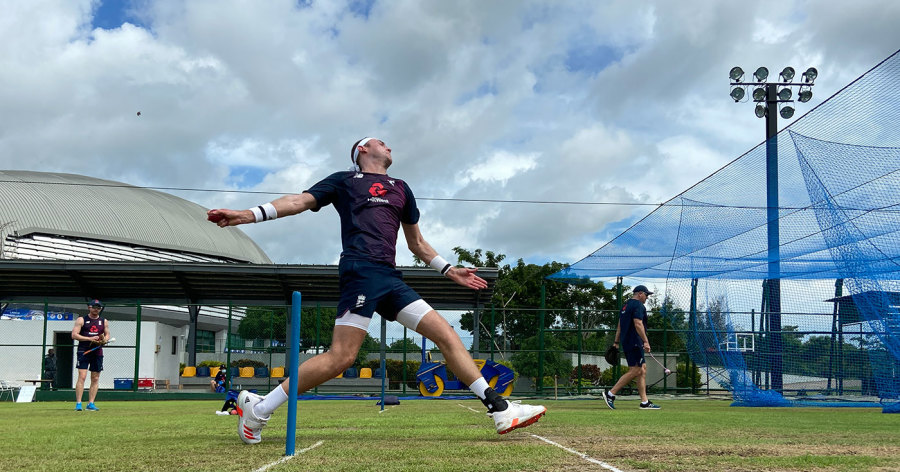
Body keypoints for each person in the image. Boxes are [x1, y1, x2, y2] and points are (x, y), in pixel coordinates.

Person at [208, 137, 546, 444]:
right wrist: (247, 215)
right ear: (362, 151)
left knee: (446, 335)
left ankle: (499, 410)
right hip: (361, 271)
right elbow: (298, 201)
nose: (390, 147)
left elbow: (417, 244)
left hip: (390, 278)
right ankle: (261, 408)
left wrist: (449, 270)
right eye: (381, 143)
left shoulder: (401, 188)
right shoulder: (344, 180)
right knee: (342, 357)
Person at [604, 285, 660, 410]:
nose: (647, 298)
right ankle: (611, 394)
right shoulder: (638, 305)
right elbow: (638, 323)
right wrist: (646, 342)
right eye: (646, 295)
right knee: (636, 370)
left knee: (642, 369)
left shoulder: (625, 306)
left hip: (628, 341)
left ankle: (644, 402)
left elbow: (620, 325)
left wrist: (616, 342)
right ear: (640, 293)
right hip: (635, 341)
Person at [72, 299, 110, 411]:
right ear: (89, 307)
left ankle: (91, 403)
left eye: (98, 308)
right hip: (84, 350)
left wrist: (104, 340)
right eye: (94, 307)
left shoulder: (104, 321)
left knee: (95, 378)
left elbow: (107, 335)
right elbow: (74, 335)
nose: (96, 309)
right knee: (82, 376)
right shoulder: (81, 320)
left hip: (97, 352)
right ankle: (78, 403)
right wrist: (89, 338)